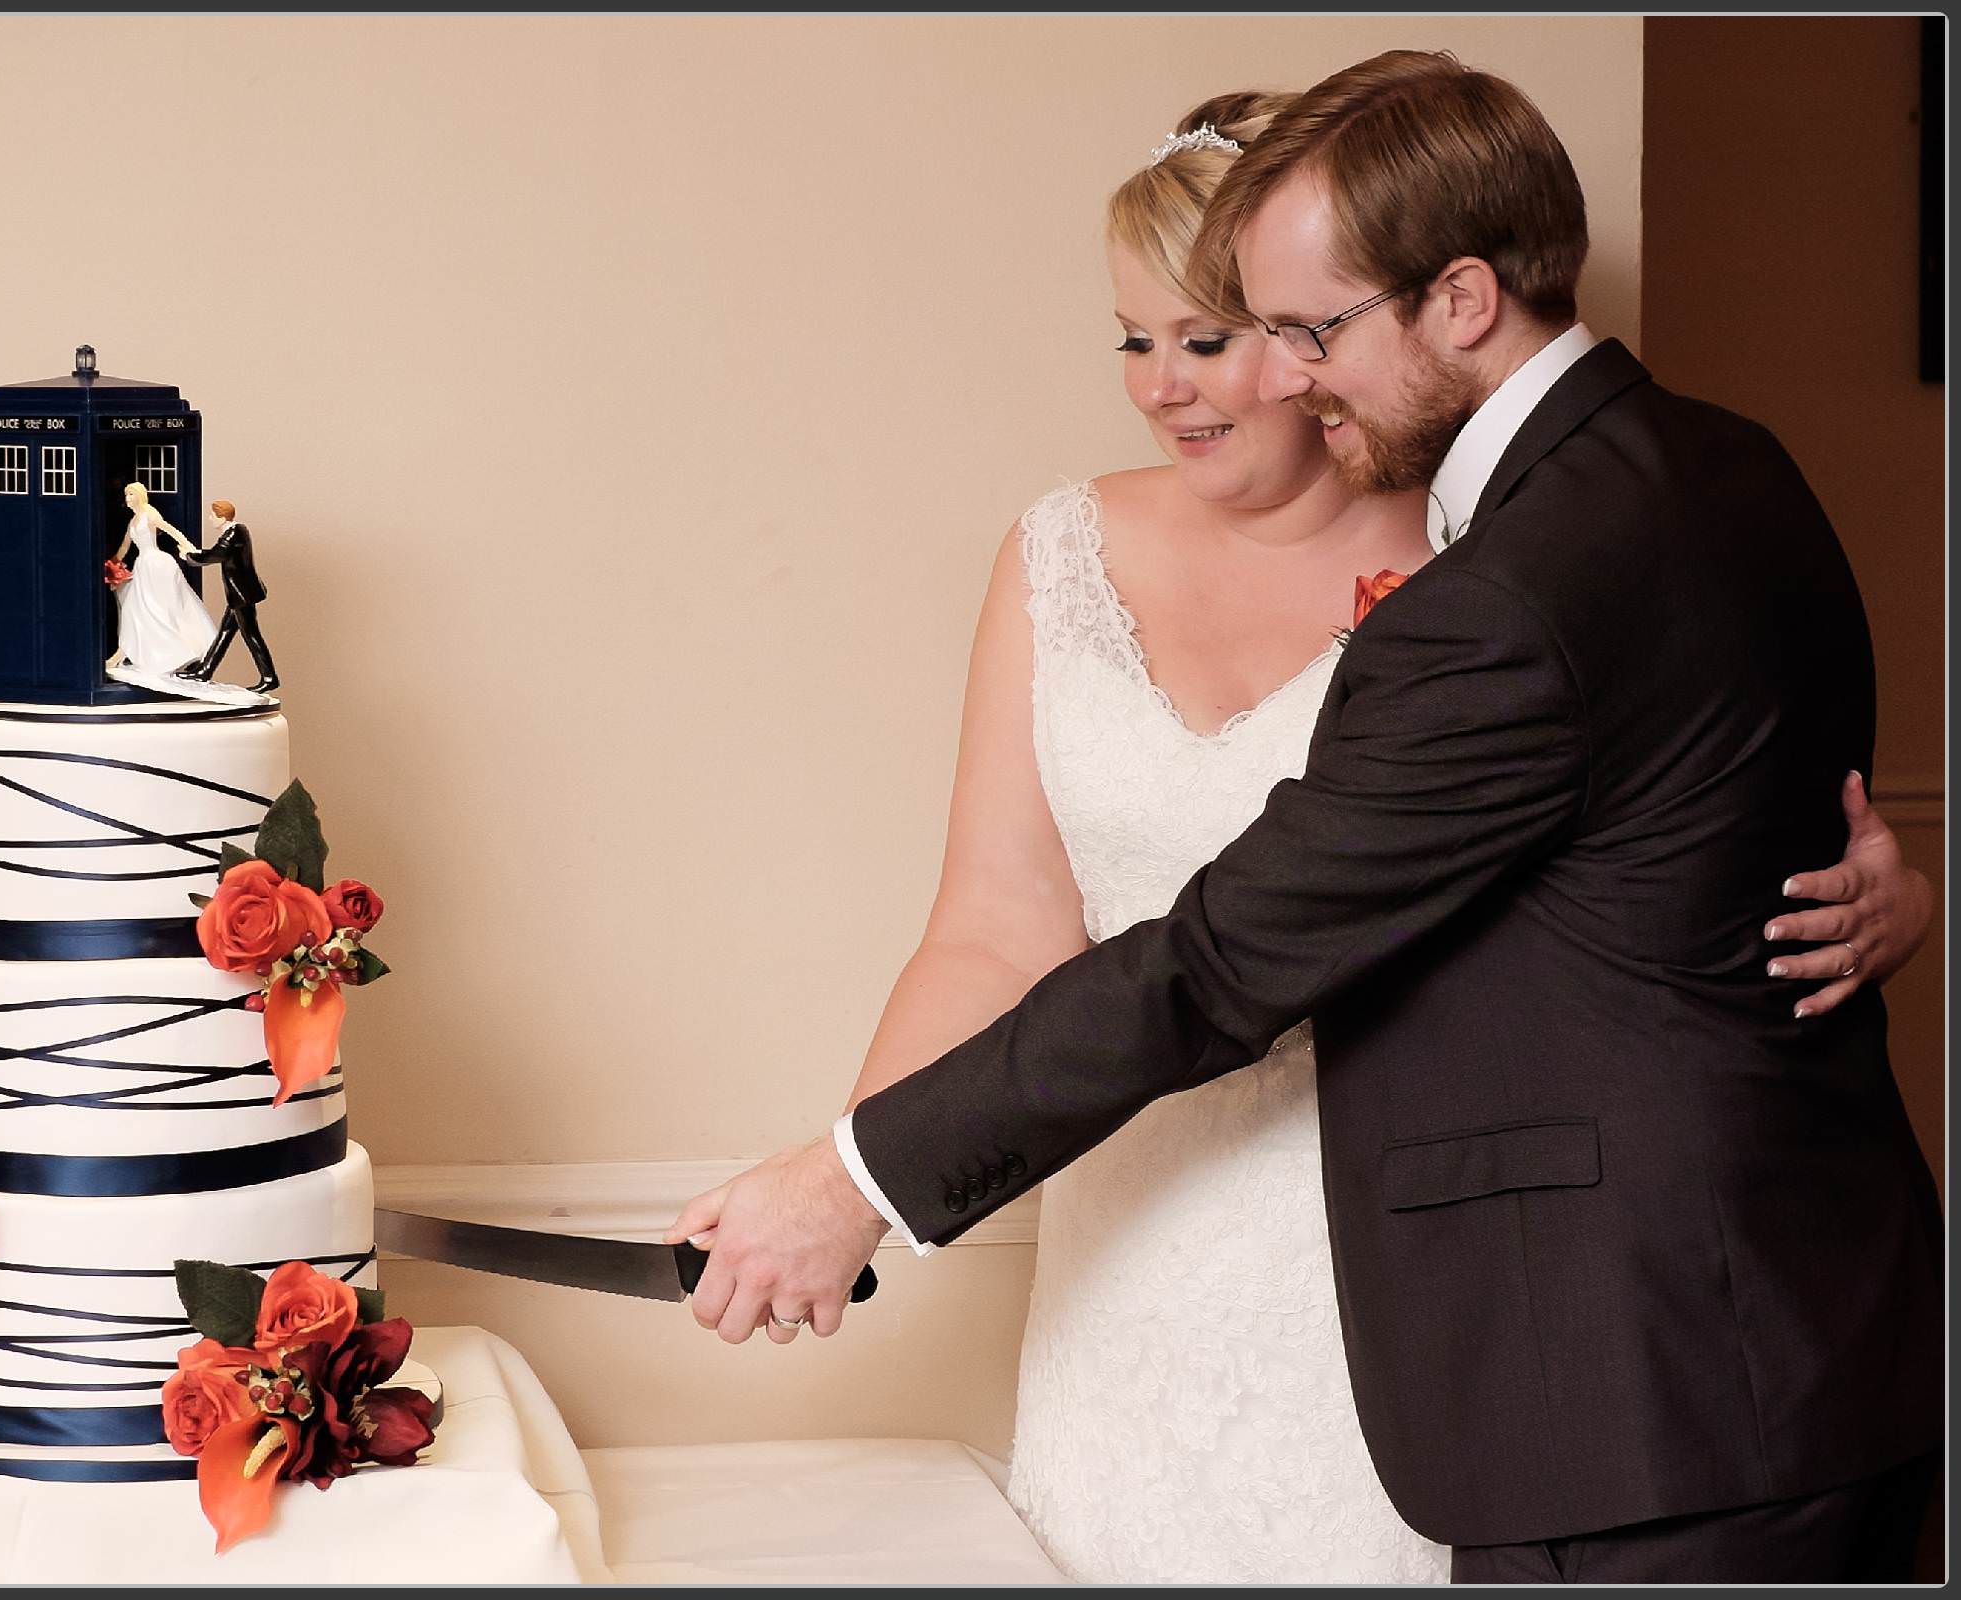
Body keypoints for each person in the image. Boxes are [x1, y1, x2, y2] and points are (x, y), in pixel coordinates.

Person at [672, 52, 1942, 1585]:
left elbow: (1219, 962)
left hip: (1629, 1390)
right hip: (1801, 1345)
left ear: (1462, 300)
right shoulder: (1732, 466)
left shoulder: (1499, 596)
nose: (1282, 375)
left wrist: (855, 1180)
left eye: (1305, 333)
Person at [105, 480, 217, 678]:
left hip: (157, 565)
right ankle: (123, 652)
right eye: (126, 495)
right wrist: (111, 563)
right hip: (143, 565)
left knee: (160, 609)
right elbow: (124, 546)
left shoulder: (150, 514)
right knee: (134, 609)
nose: (127, 499)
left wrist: (191, 548)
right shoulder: (134, 521)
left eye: (130, 494)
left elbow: (170, 530)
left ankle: (176, 651)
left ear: (139, 495)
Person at [176, 499, 280, 693]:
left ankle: (269, 677)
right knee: (225, 633)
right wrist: (195, 553)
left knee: (251, 635)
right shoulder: (236, 531)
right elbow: (220, 552)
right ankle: (205, 671)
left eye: (212, 515)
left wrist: (190, 557)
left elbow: (218, 555)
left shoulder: (234, 533)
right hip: (238, 594)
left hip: (242, 594)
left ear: (221, 517)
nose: (209, 518)